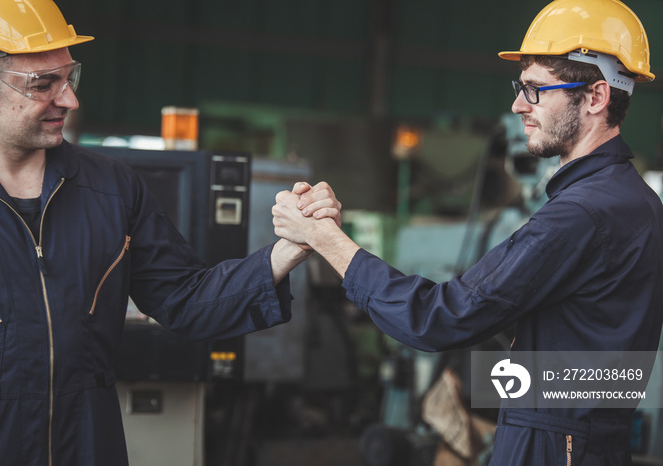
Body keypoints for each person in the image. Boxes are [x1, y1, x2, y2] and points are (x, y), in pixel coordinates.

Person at [273, 0, 663, 464]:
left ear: (596, 97)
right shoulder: (637, 201)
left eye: (535, 89)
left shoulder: (582, 213)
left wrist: (326, 239)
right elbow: (598, 371)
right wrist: (479, 385)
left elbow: (438, 319)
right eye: (520, 87)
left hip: (552, 448)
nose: (518, 105)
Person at [0, 1, 341, 465]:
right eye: (43, 84)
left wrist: (290, 250)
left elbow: (183, 299)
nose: (69, 100)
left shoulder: (111, 189)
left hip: (87, 443)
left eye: (70, 78)